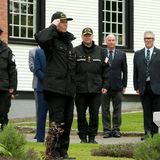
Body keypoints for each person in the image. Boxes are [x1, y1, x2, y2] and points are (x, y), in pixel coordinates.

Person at [34, 11, 76, 159]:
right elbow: (40, 37)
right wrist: (53, 25)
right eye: (62, 22)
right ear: (56, 23)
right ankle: (53, 153)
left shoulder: (69, 43)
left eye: (66, 22)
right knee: (56, 123)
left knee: (67, 123)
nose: (65, 24)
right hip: (55, 89)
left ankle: (63, 152)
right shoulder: (50, 41)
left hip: (69, 90)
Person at [74, 27, 110, 143]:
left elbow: (106, 70)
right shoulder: (76, 51)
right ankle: (83, 137)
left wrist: (105, 85)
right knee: (81, 115)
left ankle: (92, 137)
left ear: (92, 37)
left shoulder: (101, 51)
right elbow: (72, 70)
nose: (87, 37)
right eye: (85, 35)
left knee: (94, 114)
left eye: (89, 35)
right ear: (82, 37)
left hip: (96, 89)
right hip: (80, 89)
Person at [133, 31, 160, 140]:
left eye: (150, 38)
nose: (148, 40)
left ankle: (155, 133)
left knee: (157, 112)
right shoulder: (138, 54)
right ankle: (147, 133)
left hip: (157, 87)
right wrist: (136, 87)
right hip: (143, 87)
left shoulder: (159, 53)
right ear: (144, 40)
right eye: (146, 38)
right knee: (146, 111)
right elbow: (135, 72)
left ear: (153, 39)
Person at [102, 34, 128, 138]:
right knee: (105, 109)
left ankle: (116, 129)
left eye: (113, 40)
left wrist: (124, 85)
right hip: (105, 87)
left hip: (118, 86)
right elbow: (100, 70)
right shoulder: (102, 53)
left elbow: (125, 71)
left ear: (116, 42)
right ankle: (107, 130)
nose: (111, 42)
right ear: (106, 41)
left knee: (117, 109)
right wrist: (101, 85)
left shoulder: (121, 54)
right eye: (109, 40)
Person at [0, 27, 17, 130]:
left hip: (4, 88)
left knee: (3, 112)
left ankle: (4, 135)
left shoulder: (7, 50)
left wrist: (13, 88)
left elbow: (13, 70)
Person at [34, 47, 48, 142]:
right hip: (42, 88)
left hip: (55, 88)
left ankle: (53, 138)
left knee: (55, 116)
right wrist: (47, 80)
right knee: (41, 114)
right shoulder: (39, 52)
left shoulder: (56, 50)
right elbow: (37, 69)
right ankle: (40, 138)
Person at [28, 47, 38, 139]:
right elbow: (31, 67)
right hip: (38, 83)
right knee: (39, 109)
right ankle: (39, 132)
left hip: (52, 84)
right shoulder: (32, 52)